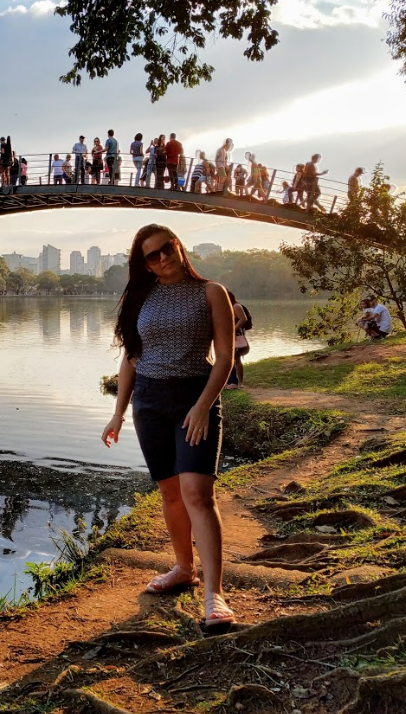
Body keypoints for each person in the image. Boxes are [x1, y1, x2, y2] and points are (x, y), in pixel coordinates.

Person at [101, 224, 236, 628]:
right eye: (151, 256)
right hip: (150, 401)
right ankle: (183, 569)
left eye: (165, 249)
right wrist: (118, 412)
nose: (161, 259)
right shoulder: (141, 298)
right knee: (170, 492)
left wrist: (202, 406)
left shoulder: (212, 292)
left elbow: (226, 357)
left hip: (194, 397)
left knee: (198, 493)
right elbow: (130, 359)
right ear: (143, 264)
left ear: (179, 246)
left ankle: (215, 596)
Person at [225, 291, 250, 389]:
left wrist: (233, 330)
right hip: (229, 335)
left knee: (236, 359)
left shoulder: (236, 306)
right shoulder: (228, 306)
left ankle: (240, 382)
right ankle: (230, 381)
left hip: (236, 336)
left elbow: (243, 319)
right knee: (228, 359)